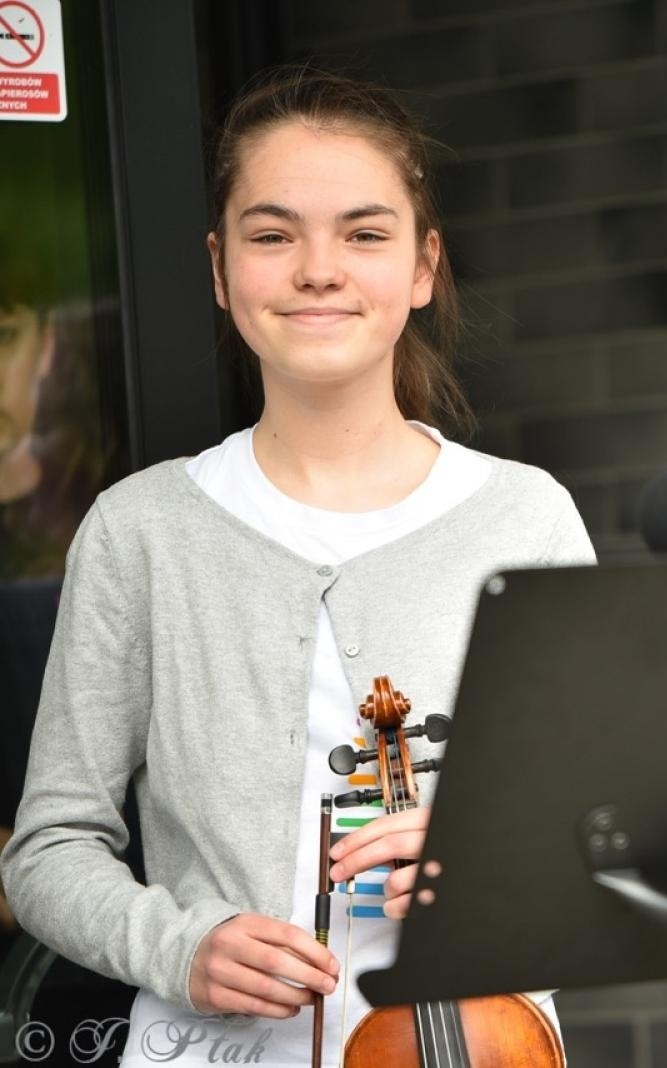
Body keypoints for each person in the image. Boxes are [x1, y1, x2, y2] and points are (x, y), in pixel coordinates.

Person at [1, 67, 594, 1067]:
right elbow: (48, 851)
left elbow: (610, 824)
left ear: (422, 266)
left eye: (364, 233)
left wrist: (491, 862)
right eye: (273, 234)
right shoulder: (138, 529)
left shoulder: (523, 517)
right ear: (221, 270)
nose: (319, 268)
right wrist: (178, 946)